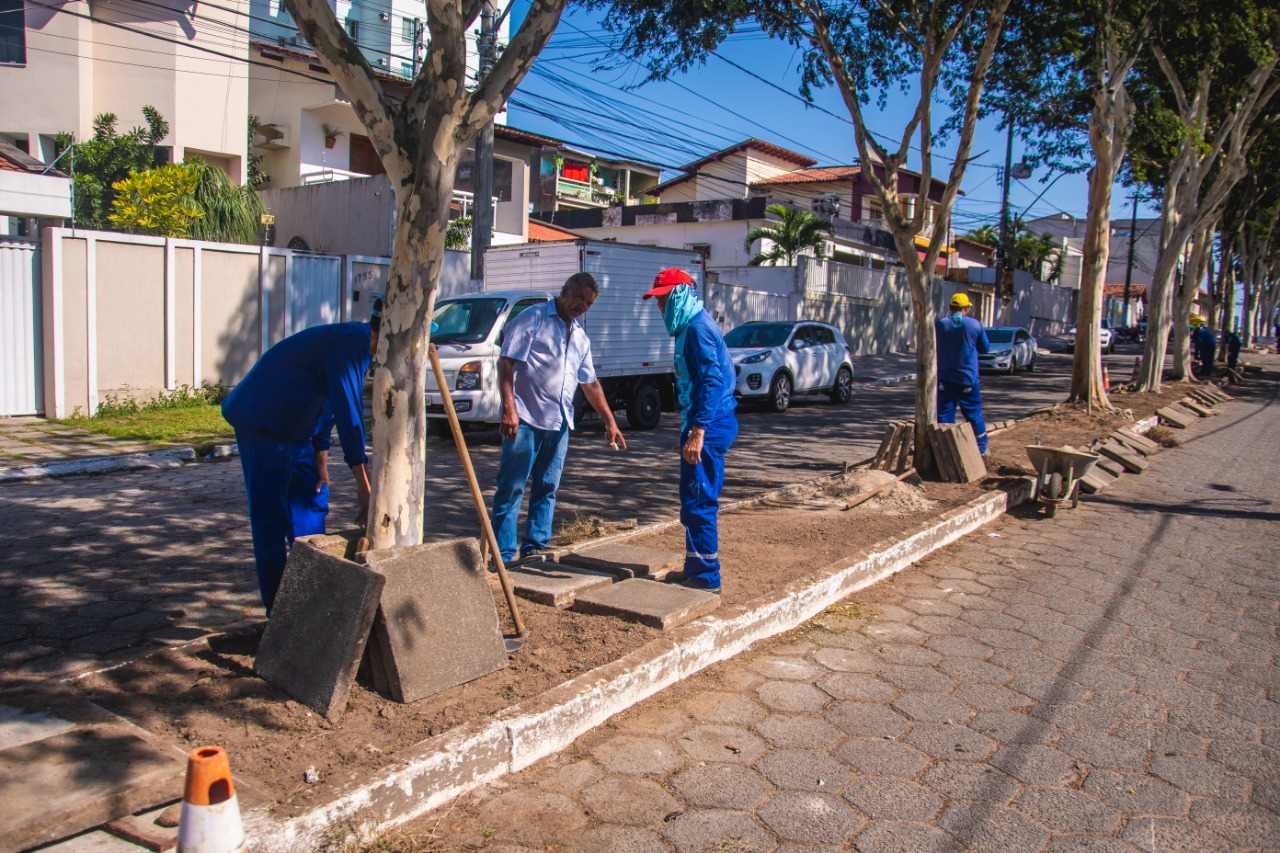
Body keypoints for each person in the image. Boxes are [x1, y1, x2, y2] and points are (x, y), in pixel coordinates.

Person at [222, 298, 380, 612]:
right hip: (263, 423)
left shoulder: (360, 347)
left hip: (298, 429)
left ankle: (310, 604)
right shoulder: (353, 344)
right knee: (272, 521)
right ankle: (279, 612)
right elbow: (350, 415)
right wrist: (364, 486)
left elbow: (328, 404)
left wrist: (321, 461)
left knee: (310, 511)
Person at [492, 273, 626, 565]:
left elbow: (589, 384)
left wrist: (610, 421)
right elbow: (506, 361)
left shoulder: (580, 336)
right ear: (565, 291)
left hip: (559, 423)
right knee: (512, 487)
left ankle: (536, 548)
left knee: (547, 487)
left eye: (589, 303)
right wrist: (508, 408)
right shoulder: (534, 318)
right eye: (580, 299)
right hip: (525, 419)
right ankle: (501, 556)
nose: (583, 307)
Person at [645, 268, 737, 595]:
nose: (660, 307)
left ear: (680, 295)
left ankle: (706, 579)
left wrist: (697, 431)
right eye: (657, 301)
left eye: (664, 299)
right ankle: (695, 568)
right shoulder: (689, 326)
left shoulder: (697, 329)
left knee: (699, 500)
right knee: (692, 497)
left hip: (710, 425)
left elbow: (713, 382)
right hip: (704, 422)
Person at [935, 292, 991, 454]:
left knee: (945, 415)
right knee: (973, 413)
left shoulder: (940, 324)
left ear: (951, 307)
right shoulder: (974, 325)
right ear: (966, 308)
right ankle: (980, 449)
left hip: (945, 377)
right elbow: (985, 348)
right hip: (967, 378)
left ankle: (944, 450)